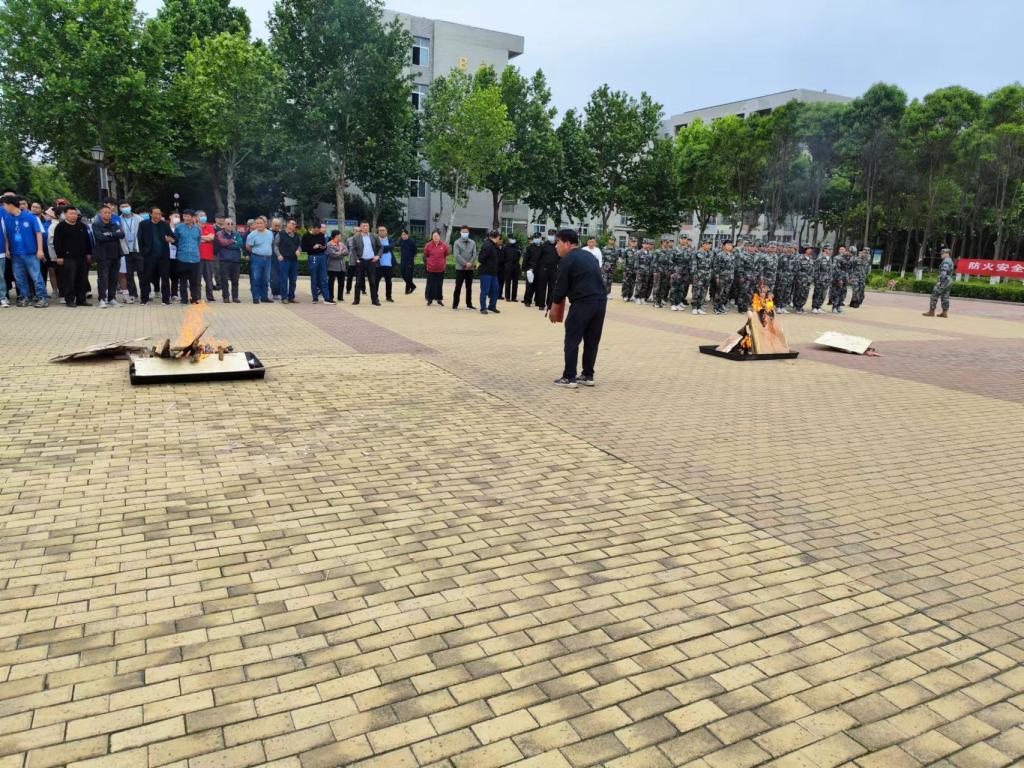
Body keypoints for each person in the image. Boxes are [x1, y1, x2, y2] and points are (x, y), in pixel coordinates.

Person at [549, 229, 607, 389]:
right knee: (592, 340)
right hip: (600, 302)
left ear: (568, 244)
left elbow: (560, 287)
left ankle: (569, 377)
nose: (556, 246)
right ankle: (588, 375)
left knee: (572, 339)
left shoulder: (567, 259)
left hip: (583, 303)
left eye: (558, 242)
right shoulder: (589, 255)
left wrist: (554, 308)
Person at [1, 194, 49, 307]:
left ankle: (42, 298)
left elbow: (38, 233)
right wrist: (7, 249)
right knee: (19, 278)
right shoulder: (7, 218)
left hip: (30, 253)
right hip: (15, 254)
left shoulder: (31, 217)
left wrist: (40, 250)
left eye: (4, 205)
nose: (3, 208)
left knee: (36, 276)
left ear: (10, 205)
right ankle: (25, 297)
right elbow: (6, 235)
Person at [51, 205, 92, 306]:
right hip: (68, 257)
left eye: (75, 214)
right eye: (71, 213)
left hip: (82, 257)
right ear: (65, 214)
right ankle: (69, 300)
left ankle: (81, 299)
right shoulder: (60, 227)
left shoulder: (82, 226)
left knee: (82, 278)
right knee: (69, 279)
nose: (74, 215)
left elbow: (87, 240)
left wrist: (88, 253)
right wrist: (59, 256)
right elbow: (57, 242)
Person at [89, 203, 126, 308]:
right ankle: (102, 299)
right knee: (103, 278)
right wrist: (114, 234)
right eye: (105, 212)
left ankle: (112, 298)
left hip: (116, 254)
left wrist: (109, 234)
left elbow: (122, 234)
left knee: (114, 278)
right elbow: (100, 238)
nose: (107, 214)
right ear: (100, 214)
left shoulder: (115, 224)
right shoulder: (96, 225)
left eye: (109, 213)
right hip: (103, 255)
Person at [138, 207, 173, 305]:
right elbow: (140, 240)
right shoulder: (143, 224)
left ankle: (166, 300)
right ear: (151, 214)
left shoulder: (165, 224)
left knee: (165, 278)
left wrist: (171, 240)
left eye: (159, 214)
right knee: (146, 277)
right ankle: (144, 299)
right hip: (149, 256)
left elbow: (172, 236)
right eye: (156, 214)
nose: (158, 216)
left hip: (163, 256)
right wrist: (144, 253)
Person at [172, 209, 202, 304]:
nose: (185, 218)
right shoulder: (179, 228)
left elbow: (198, 242)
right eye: (184, 216)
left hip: (195, 258)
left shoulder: (197, 229)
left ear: (193, 218)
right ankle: (184, 299)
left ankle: (194, 298)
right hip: (182, 257)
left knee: (194, 281)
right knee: (183, 280)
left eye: (188, 216)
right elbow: (175, 240)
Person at [349, 220, 381, 306]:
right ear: (360, 227)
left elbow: (381, 247)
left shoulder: (374, 236)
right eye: (364, 226)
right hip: (361, 261)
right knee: (358, 281)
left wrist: (378, 256)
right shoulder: (356, 237)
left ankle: (374, 300)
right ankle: (356, 300)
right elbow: (353, 249)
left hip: (371, 261)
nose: (366, 228)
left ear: (369, 227)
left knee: (373, 281)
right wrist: (356, 259)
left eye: (367, 226)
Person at [118, 201, 143, 304]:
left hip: (138, 249)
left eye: (127, 206)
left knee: (142, 272)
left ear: (130, 207)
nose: (125, 208)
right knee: (128, 274)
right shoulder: (118, 220)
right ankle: (133, 294)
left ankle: (145, 293)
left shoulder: (139, 218)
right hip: (125, 249)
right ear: (120, 209)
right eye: (123, 206)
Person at [245, 216, 274, 304]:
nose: (259, 225)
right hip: (256, 258)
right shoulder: (252, 235)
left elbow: (271, 244)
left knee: (266, 279)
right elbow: (248, 247)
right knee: (256, 278)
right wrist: (257, 252)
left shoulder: (270, 233)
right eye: (257, 223)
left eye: (261, 223)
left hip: (268, 259)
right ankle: (256, 297)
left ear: (265, 224)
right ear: (255, 224)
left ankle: (264, 297)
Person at [274, 218, 302, 303]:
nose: (294, 225)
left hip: (294, 260)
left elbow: (299, 245)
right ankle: (284, 297)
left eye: (295, 224)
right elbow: (275, 245)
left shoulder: (297, 235)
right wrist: (278, 255)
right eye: (292, 223)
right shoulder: (280, 234)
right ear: (287, 224)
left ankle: (291, 297)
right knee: (284, 279)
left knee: (293, 280)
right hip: (284, 260)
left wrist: (299, 250)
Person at [216, 218, 243, 303]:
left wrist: (228, 245)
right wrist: (233, 241)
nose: (230, 225)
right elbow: (222, 242)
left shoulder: (237, 234)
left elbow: (240, 244)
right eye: (228, 224)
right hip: (224, 260)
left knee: (235, 280)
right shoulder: (220, 233)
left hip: (236, 260)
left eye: (232, 224)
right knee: (224, 280)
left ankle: (235, 297)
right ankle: (226, 297)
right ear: (224, 225)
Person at [302, 222, 329, 303]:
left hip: (322, 256)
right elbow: (304, 248)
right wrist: (313, 247)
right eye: (316, 231)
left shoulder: (321, 235)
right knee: (314, 278)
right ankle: (315, 297)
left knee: (323, 277)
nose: (317, 232)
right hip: (312, 256)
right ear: (312, 228)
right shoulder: (306, 236)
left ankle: (326, 297)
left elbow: (324, 246)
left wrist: (323, 247)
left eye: (318, 230)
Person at [924, 247, 954, 318]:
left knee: (934, 295)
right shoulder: (950, 260)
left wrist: (940, 282)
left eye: (942, 253)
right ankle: (944, 313)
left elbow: (944, 272)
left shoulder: (946, 261)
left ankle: (931, 312)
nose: (941, 254)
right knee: (945, 297)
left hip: (944, 281)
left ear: (947, 254)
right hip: (949, 281)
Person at [534, 228, 560, 310]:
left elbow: (561, 257)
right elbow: (538, 258)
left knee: (552, 288)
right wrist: (536, 269)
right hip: (544, 269)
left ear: (555, 236)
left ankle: (549, 304)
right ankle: (541, 304)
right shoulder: (544, 245)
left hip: (554, 269)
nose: (550, 236)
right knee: (542, 287)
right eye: (549, 234)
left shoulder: (558, 245)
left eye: (552, 235)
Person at [477, 229, 502, 315]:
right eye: (499, 237)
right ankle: (483, 308)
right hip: (486, 272)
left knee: (496, 289)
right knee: (485, 290)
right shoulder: (487, 245)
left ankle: (492, 306)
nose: (499, 239)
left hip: (493, 272)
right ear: (497, 237)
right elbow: (481, 258)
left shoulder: (494, 245)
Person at [452, 226, 477, 310]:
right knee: (458, 286)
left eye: (466, 232)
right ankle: (455, 304)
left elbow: (474, 254)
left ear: (468, 233)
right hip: (460, 268)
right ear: (460, 232)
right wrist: (465, 264)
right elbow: (457, 255)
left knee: (469, 287)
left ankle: (469, 304)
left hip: (470, 268)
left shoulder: (473, 242)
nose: (465, 233)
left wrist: (470, 263)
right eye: (463, 232)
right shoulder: (456, 243)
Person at [196, 210, 217, 302]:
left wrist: (200, 238)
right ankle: (197, 296)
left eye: (204, 215)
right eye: (201, 215)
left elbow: (211, 237)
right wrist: (205, 238)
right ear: (196, 217)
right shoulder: (194, 227)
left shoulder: (210, 227)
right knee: (197, 278)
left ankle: (210, 296)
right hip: (197, 257)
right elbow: (195, 238)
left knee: (209, 278)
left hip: (208, 256)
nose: (203, 217)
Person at [423, 229, 448, 306]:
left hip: (440, 269)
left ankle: (439, 299)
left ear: (439, 236)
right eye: (434, 236)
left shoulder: (444, 245)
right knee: (430, 285)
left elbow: (445, 255)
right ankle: (429, 299)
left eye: (437, 236)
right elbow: (426, 255)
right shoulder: (428, 245)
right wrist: (429, 263)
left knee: (439, 285)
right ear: (432, 237)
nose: (435, 237)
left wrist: (444, 265)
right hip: (431, 269)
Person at [712, 240, 736, 315]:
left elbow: (733, 267)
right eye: (728, 245)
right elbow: (716, 266)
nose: (730, 246)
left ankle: (721, 305)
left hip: (730, 277)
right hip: (722, 277)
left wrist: (732, 276)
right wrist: (717, 277)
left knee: (726, 293)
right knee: (719, 293)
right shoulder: (720, 255)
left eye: (731, 245)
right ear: (724, 246)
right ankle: (716, 308)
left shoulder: (732, 255)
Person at [690, 240, 713, 315]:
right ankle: (694, 307)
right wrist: (695, 275)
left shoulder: (710, 253)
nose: (708, 246)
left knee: (703, 292)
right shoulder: (696, 253)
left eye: (709, 244)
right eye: (707, 244)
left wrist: (710, 274)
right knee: (696, 291)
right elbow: (693, 265)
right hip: (698, 275)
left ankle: (699, 307)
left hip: (707, 275)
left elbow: (711, 265)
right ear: (702, 244)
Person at [375, 225, 396, 302]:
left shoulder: (390, 239)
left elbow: (391, 247)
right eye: (380, 230)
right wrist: (385, 248)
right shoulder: (375, 240)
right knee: (376, 282)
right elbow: (375, 248)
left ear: (386, 232)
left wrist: (381, 248)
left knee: (389, 282)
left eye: (383, 230)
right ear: (378, 232)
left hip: (389, 264)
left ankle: (388, 297)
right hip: (378, 264)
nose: (382, 232)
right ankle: (375, 297)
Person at [325, 230, 346, 303]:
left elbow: (347, 251)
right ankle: (330, 297)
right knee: (331, 283)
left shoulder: (341, 244)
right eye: (339, 236)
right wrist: (341, 253)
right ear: (336, 236)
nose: (340, 237)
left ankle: (340, 297)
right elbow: (332, 255)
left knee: (342, 283)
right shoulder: (329, 244)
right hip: (332, 267)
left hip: (341, 267)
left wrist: (339, 253)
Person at [522, 232, 542, 307]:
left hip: (540, 270)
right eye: (535, 238)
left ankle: (538, 301)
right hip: (530, 270)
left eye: (538, 237)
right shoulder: (529, 248)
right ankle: (527, 301)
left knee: (539, 287)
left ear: (541, 238)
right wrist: (524, 269)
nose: (536, 239)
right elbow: (525, 259)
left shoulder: (543, 248)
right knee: (529, 286)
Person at [812, 244, 832, 314]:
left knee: (823, 294)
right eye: (829, 249)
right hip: (820, 280)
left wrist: (830, 279)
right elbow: (816, 270)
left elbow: (830, 270)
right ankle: (814, 307)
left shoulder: (829, 259)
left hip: (826, 280)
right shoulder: (820, 258)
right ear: (825, 249)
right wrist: (816, 280)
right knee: (817, 293)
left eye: (831, 249)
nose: (830, 251)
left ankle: (819, 306)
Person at [501, 234, 521, 302]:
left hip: (516, 265)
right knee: (508, 282)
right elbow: (502, 257)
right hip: (508, 265)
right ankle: (507, 297)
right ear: (509, 239)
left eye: (514, 238)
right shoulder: (505, 247)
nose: (513, 240)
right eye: (511, 238)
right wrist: (505, 265)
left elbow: (519, 255)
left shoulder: (517, 247)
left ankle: (514, 297)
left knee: (515, 283)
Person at [168, 211, 181, 301]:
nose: (177, 218)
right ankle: (165, 293)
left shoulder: (180, 229)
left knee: (175, 276)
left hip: (177, 255)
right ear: (170, 217)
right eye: (175, 216)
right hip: (166, 255)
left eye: (178, 217)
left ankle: (174, 293)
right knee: (165, 275)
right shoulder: (166, 227)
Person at [619, 237, 638, 302]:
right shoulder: (626, 250)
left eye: (635, 242)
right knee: (626, 283)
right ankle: (625, 295)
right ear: (630, 242)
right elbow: (623, 261)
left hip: (634, 270)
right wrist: (625, 269)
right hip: (628, 269)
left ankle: (630, 296)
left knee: (632, 283)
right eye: (632, 242)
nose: (634, 243)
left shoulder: (637, 251)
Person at [399, 229, 417, 294]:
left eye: (404, 234)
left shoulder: (411, 241)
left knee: (408, 276)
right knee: (403, 274)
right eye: (402, 235)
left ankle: (407, 290)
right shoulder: (401, 241)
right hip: (403, 261)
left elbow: (415, 251)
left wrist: (411, 258)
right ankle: (413, 286)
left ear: (407, 235)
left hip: (409, 262)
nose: (403, 236)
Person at [269, 218, 283, 301]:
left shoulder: (281, 233)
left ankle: (278, 293)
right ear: (271, 224)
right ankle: (273, 292)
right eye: (275, 225)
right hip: (271, 257)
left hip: (280, 257)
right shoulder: (268, 233)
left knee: (280, 276)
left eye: (278, 225)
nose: (277, 227)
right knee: (273, 276)